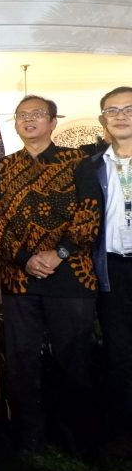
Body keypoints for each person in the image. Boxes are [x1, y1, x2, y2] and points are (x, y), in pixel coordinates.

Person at [0, 95, 100, 453]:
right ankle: (29, 434)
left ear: (52, 122)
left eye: (37, 114)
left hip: (71, 277)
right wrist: (25, 258)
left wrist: (59, 252)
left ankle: (73, 435)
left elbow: (89, 212)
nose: (29, 120)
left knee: (73, 358)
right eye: (22, 115)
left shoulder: (77, 162)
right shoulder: (3, 168)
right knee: (22, 359)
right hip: (20, 278)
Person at [76, 85, 132, 448]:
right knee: (119, 350)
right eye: (113, 111)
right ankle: (123, 431)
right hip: (112, 268)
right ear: (103, 120)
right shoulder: (92, 166)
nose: (120, 116)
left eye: (128, 109)